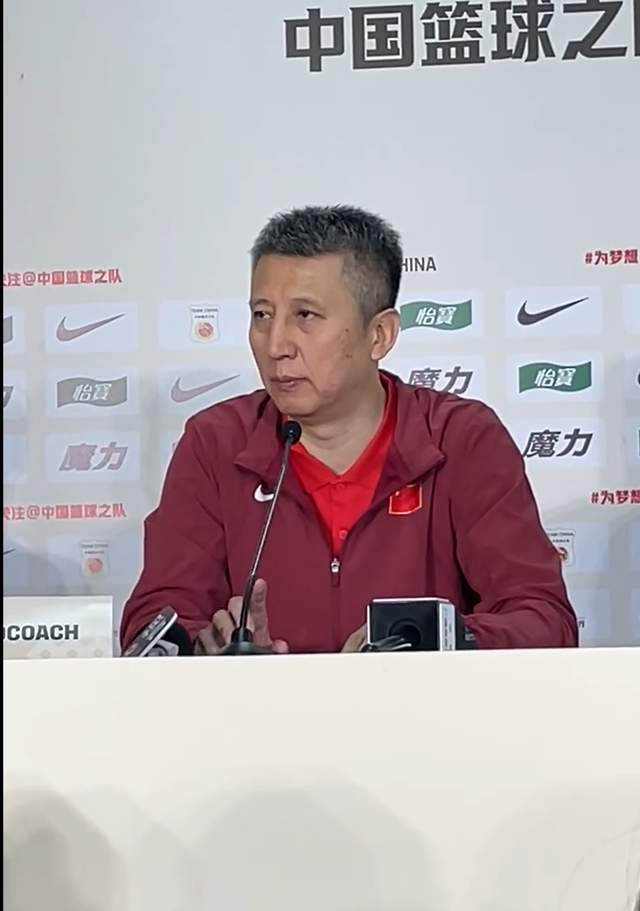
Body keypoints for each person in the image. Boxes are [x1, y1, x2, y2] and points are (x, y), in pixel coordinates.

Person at [120, 205, 577, 654]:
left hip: (424, 703)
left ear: (379, 335)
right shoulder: (215, 443)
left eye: (305, 316)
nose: (276, 345)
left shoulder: (462, 439)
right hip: (257, 705)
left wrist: (431, 642)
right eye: (262, 315)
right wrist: (215, 652)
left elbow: (542, 617)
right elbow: (155, 622)